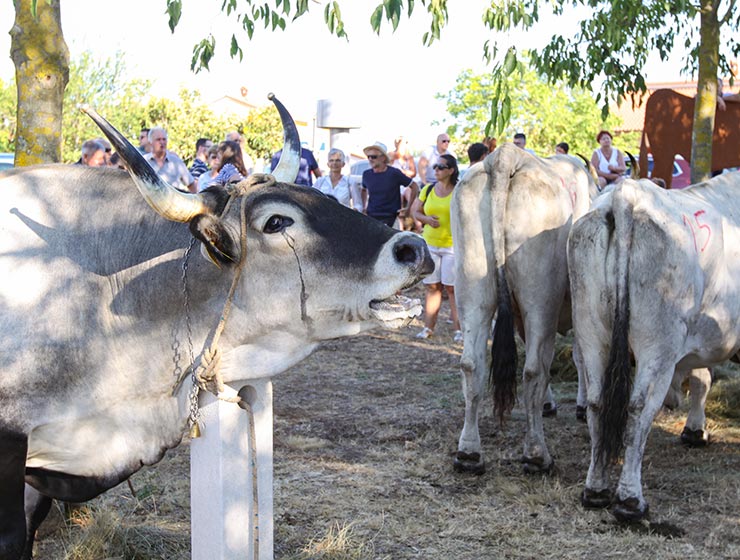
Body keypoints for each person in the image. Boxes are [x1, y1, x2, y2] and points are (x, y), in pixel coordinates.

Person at [411, 153, 462, 343]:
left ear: (451, 170)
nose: (436, 170)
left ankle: (459, 329)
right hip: (431, 243)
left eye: (441, 167)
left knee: (452, 288)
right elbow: (415, 212)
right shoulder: (428, 189)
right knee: (432, 287)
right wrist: (426, 220)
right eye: (435, 167)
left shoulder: (459, 190)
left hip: (452, 245)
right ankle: (428, 327)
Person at [361, 141, 416, 227]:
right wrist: (363, 206)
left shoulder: (394, 173)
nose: (370, 159)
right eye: (369, 157)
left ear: (383, 158)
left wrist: (409, 208)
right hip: (371, 218)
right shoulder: (366, 174)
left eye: (374, 157)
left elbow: (414, 186)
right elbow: (363, 189)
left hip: (392, 218)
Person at [143, 127, 196, 193]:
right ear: (150, 142)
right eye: (158, 140)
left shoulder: (176, 162)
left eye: (164, 139)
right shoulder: (143, 161)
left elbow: (191, 184)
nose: (162, 142)